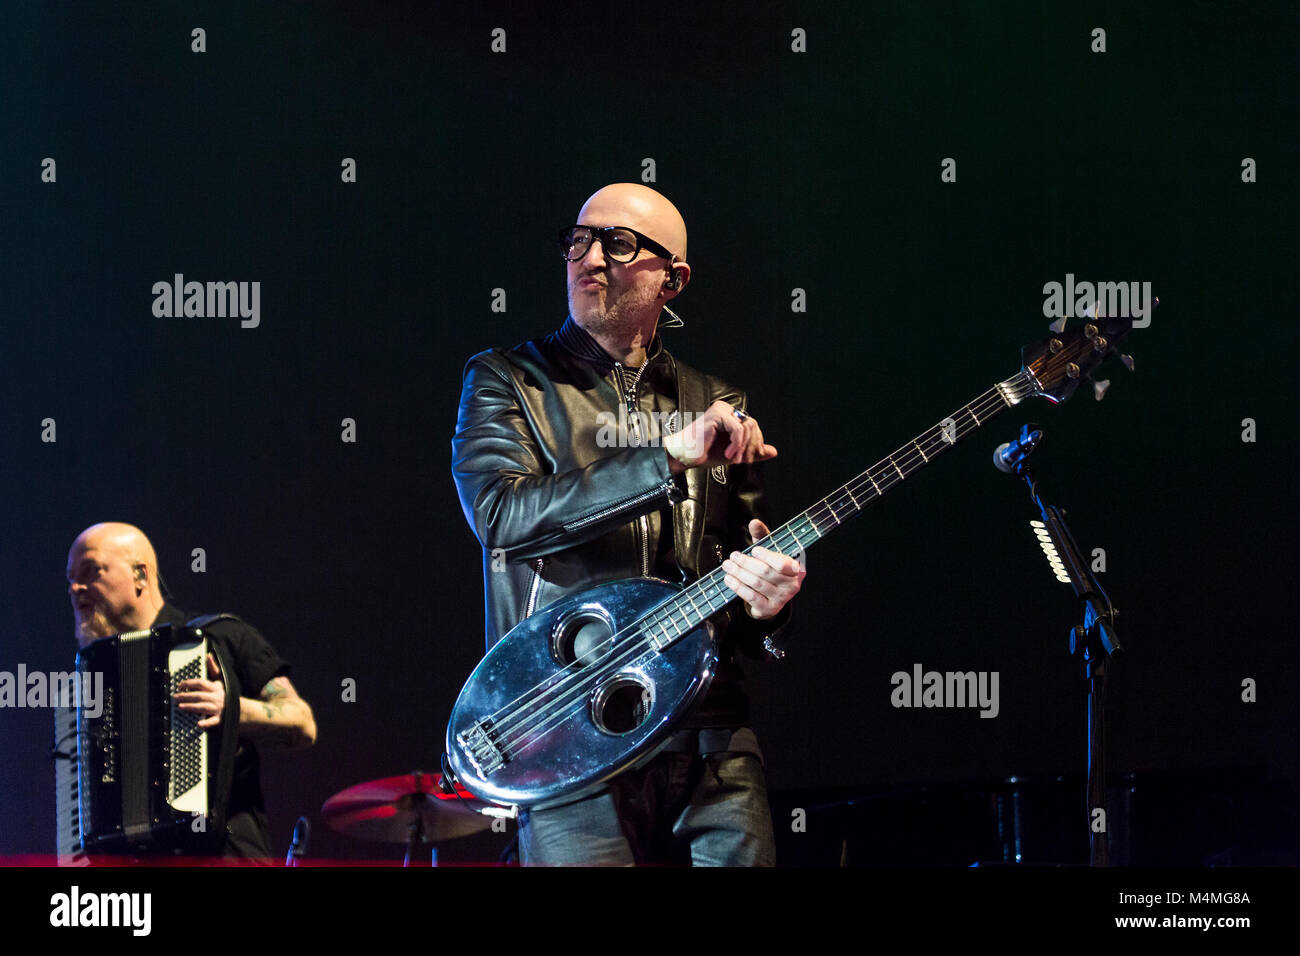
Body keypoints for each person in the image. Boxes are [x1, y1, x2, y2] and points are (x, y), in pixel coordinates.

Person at [451, 183, 805, 865]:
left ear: (673, 279)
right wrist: (665, 456)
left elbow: (744, 573)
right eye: (579, 241)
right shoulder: (508, 380)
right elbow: (501, 514)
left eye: (618, 244)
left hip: (708, 731)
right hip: (564, 727)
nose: (590, 259)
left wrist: (772, 604)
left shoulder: (717, 401)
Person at [65, 521, 316, 860]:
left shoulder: (222, 636)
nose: (76, 587)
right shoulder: (95, 671)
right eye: (70, 578)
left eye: (91, 571)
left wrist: (233, 711)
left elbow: (303, 723)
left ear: (141, 575)